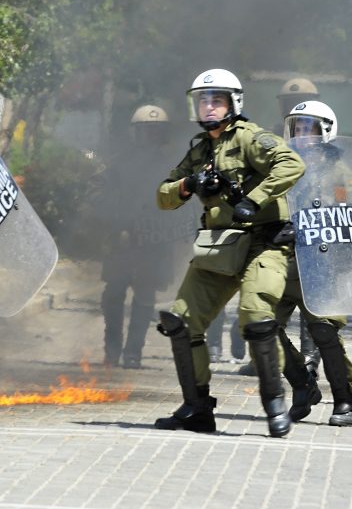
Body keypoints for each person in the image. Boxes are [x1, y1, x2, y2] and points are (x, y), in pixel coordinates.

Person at [154, 68, 304, 437]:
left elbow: (292, 164)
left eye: (216, 100)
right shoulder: (200, 150)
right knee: (181, 321)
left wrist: (254, 200)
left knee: (255, 317)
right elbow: (163, 196)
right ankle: (197, 409)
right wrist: (189, 184)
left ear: (234, 103)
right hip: (219, 247)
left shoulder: (251, 138)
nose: (208, 107)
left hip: (263, 244)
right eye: (202, 100)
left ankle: (274, 403)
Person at [277, 100, 352, 426]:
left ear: (325, 131)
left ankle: (347, 402)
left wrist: (340, 260)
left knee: (324, 333)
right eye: (297, 127)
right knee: (263, 327)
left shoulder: (341, 173)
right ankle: (303, 385)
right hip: (282, 263)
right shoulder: (281, 165)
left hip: (319, 265)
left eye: (308, 127)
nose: (301, 134)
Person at [100, 104, 178, 369]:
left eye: (155, 131)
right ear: (136, 133)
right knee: (113, 293)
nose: (150, 136)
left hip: (154, 241)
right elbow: (109, 198)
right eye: (145, 131)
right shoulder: (119, 162)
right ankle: (111, 349)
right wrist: (118, 227)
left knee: (145, 297)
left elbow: (177, 205)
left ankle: (134, 352)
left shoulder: (172, 166)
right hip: (121, 239)